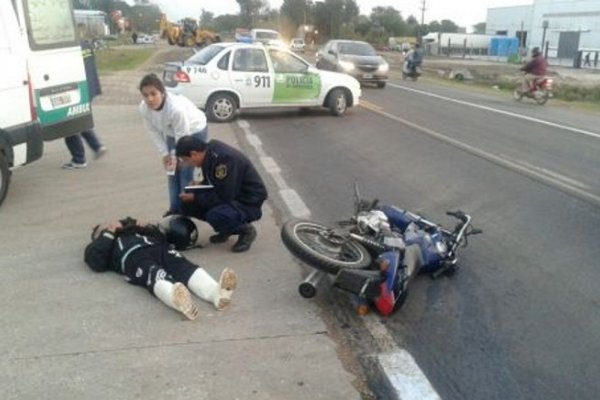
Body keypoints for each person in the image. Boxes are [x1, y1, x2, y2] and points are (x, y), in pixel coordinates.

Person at [84, 216, 238, 320]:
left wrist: (147, 227)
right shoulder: (100, 244)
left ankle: (216, 293)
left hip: (158, 248)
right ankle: (178, 300)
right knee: (155, 274)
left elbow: (162, 238)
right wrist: (109, 232)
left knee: (185, 267)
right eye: (105, 226)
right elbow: (96, 262)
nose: (113, 223)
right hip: (133, 257)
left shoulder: (133, 230)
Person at [175, 135, 268, 253]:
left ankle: (246, 231)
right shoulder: (209, 153)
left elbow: (224, 195)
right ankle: (226, 228)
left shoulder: (223, 160)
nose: (188, 164)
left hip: (247, 200)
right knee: (188, 205)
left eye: (186, 160)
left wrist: (195, 196)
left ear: (194, 154)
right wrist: (196, 186)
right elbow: (216, 183)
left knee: (215, 215)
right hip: (232, 193)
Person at [138, 73, 209, 216]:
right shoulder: (143, 108)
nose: (150, 99)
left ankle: (185, 212)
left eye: (154, 94)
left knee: (185, 171)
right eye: (145, 95)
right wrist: (165, 154)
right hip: (171, 132)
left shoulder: (175, 109)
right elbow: (153, 131)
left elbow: (183, 140)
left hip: (194, 131)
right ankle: (174, 210)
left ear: (162, 93)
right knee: (171, 172)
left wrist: (179, 158)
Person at [62, 40, 108, 169]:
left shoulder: (67, 47)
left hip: (76, 90)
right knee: (79, 119)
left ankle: (79, 159)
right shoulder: (85, 44)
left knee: (69, 124)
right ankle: (97, 146)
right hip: (88, 87)